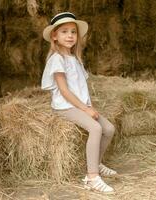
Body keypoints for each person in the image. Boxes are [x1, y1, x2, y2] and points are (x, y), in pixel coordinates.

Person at [41, 12, 117, 193]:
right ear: (54, 36)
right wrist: (85, 109)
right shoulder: (57, 59)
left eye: (73, 32)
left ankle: (96, 164)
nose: (69, 36)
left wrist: (89, 106)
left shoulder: (75, 59)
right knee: (96, 128)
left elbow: (80, 87)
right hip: (65, 106)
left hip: (79, 104)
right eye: (64, 32)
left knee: (109, 129)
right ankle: (92, 178)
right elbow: (65, 91)